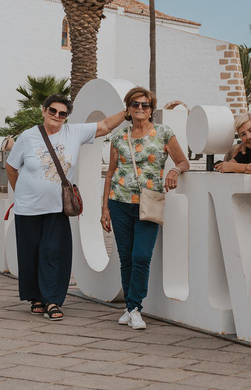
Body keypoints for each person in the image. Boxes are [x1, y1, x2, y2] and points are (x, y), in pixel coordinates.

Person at [5, 93, 125, 322]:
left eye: (62, 113)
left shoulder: (74, 133)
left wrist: (127, 112)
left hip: (57, 207)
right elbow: (11, 168)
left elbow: (105, 125)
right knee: (30, 254)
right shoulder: (28, 137)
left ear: (66, 117)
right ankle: (35, 297)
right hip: (27, 207)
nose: (57, 116)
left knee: (53, 253)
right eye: (53, 111)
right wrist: (20, 191)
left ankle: (52, 300)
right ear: (44, 110)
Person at [100, 87, 190, 330]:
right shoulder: (119, 137)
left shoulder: (163, 133)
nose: (140, 108)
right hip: (119, 202)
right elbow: (110, 173)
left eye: (145, 105)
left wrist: (174, 170)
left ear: (151, 109)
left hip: (149, 203)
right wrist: (104, 208)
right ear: (128, 109)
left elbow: (183, 161)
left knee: (141, 256)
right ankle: (131, 308)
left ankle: (134, 307)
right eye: (135, 104)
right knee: (126, 257)